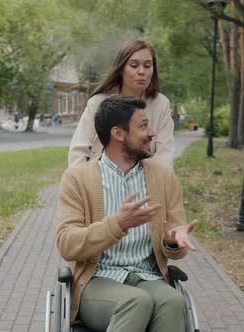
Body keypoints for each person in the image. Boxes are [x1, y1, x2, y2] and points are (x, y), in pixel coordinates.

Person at [56, 96, 198, 331]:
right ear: (118, 134)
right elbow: (67, 245)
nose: (152, 133)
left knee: (174, 302)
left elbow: (176, 251)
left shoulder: (164, 178)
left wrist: (172, 243)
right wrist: (118, 224)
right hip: (97, 280)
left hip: (149, 276)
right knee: (136, 301)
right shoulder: (77, 179)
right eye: (143, 126)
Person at [68, 39, 175, 168]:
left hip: (145, 183)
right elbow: (78, 152)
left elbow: (165, 156)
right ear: (121, 69)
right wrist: (83, 184)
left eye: (147, 66)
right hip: (99, 181)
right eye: (134, 65)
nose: (141, 72)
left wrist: (151, 185)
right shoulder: (97, 103)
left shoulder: (161, 104)